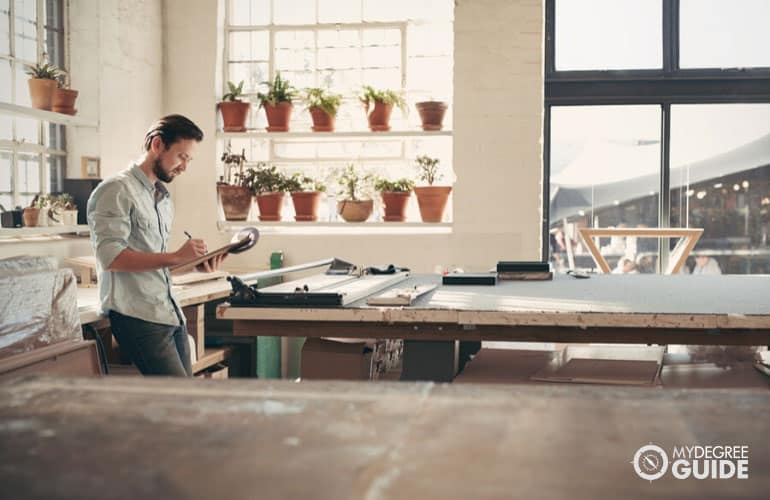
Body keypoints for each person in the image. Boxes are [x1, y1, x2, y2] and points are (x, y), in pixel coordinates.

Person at [87, 114, 225, 376]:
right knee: (178, 401)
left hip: (169, 313)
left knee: (186, 401)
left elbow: (157, 268)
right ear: (158, 145)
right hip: (137, 317)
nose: (184, 166)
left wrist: (195, 266)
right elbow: (111, 257)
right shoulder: (115, 190)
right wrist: (174, 256)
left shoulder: (162, 197)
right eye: (182, 156)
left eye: (189, 159)